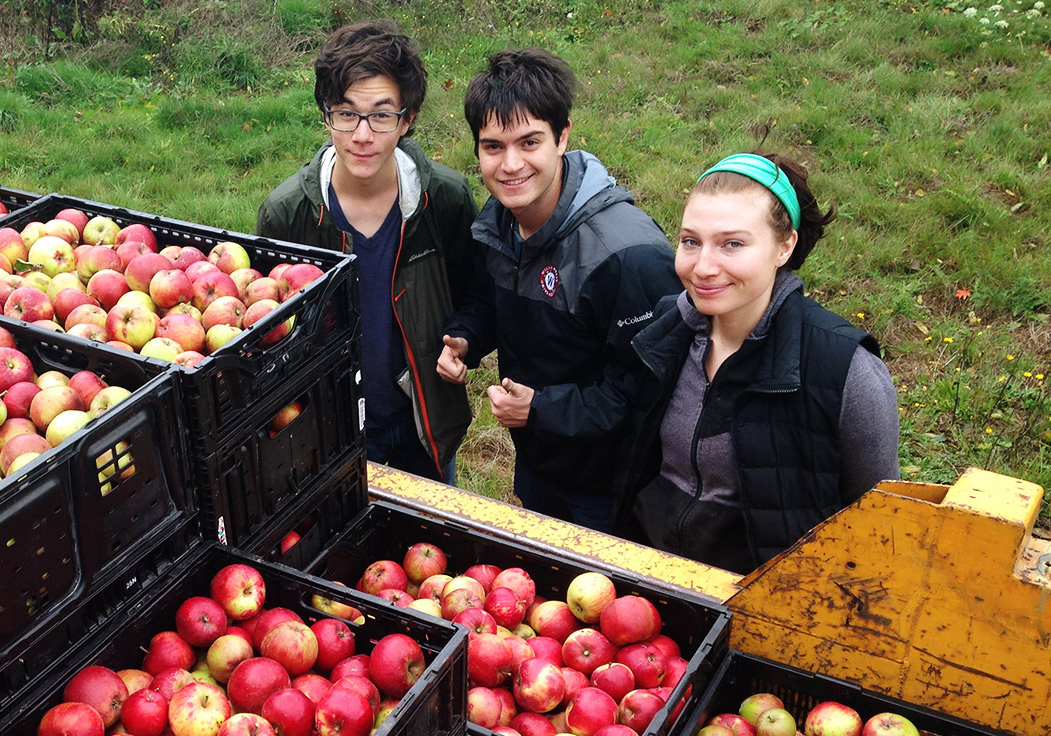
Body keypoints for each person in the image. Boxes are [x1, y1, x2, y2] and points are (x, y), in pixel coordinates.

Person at [527, 152, 900, 573]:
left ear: (785, 246)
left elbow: (881, 526)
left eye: (732, 244)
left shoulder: (845, 371)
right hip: (653, 581)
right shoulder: (665, 331)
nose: (703, 267)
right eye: (691, 241)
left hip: (766, 605)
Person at [438, 49, 681, 529]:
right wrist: (466, 336)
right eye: (493, 147)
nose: (510, 165)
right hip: (541, 463)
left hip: (614, 488)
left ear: (562, 135)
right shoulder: (500, 222)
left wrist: (541, 410)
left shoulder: (628, 255)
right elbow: (495, 298)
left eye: (529, 142)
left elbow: (648, 392)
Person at [257, 20, 477, 483]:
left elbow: (475, 294)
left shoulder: (446, 200)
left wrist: (464, 337)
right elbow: (267, 331)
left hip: (423, 425)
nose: (361, 134)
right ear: (326, 114)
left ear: (408, 118)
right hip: (329, 431)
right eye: (346, 113)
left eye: (381, 115)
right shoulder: (289, 215)